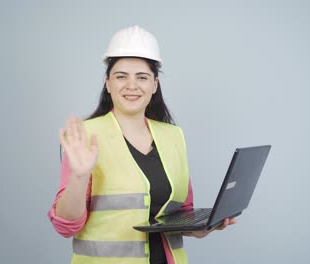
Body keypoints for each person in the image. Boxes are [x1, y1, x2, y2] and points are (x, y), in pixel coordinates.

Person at [48, 25, 236, 264]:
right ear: (108, 83)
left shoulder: (173, 136)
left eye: (142, 77)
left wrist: (202, 228)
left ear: (154, 85)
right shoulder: (85, 136)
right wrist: (78, 176)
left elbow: (180, 215)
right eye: (121, 76)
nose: (131, 85)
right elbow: (66, 226)